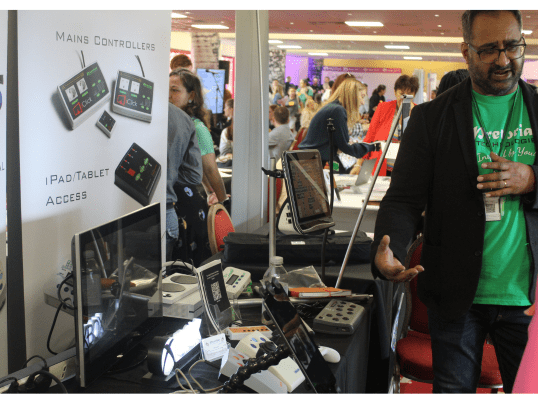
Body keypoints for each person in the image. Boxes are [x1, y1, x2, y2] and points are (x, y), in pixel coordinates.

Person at [371, 10, 536, 393]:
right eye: (488, 49)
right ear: (465, 51)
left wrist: (531, 179)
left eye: (512, 46)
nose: (502, 59)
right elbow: (402, 201)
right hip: (457, 296)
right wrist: (390, 249)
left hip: (529, 298)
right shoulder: (432, 120)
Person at [169, 68, 229, 209]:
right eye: (166, 89)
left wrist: (222, 202)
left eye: (175, 90)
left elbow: (210, 170)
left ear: (191, 96)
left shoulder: (196, 128)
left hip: (184, 201)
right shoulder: (170, 123)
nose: (168, 95)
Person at [299, 76, 378, 165]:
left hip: (310, 160)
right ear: (352, 94)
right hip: (310, 163)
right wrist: (373, 147)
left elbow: (340, 146)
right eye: (362, 96)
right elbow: (345, 147)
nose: (363, 102)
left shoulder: (334, 107)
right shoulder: (338, 110)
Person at [166, 103, 203, 261]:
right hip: (167, 215)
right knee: (162, 282)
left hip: (123, 220)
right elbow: (194, 175)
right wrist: (169, 175)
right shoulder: (183, 118)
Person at [362, 74, 419, 176]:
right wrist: (359, 164)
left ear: (414, 94)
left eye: (409, 93)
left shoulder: (419, 112)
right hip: (383, 167)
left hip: (408, 170)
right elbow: (370, 136)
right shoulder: (383, 108)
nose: (404, 97)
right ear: (395, 92)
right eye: (401, 93)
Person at [218, 99, 234, 164]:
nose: (224, 110)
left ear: (231, 109)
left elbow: (224, 152)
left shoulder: (226, 131)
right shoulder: (227, 131)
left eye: (225, 107)